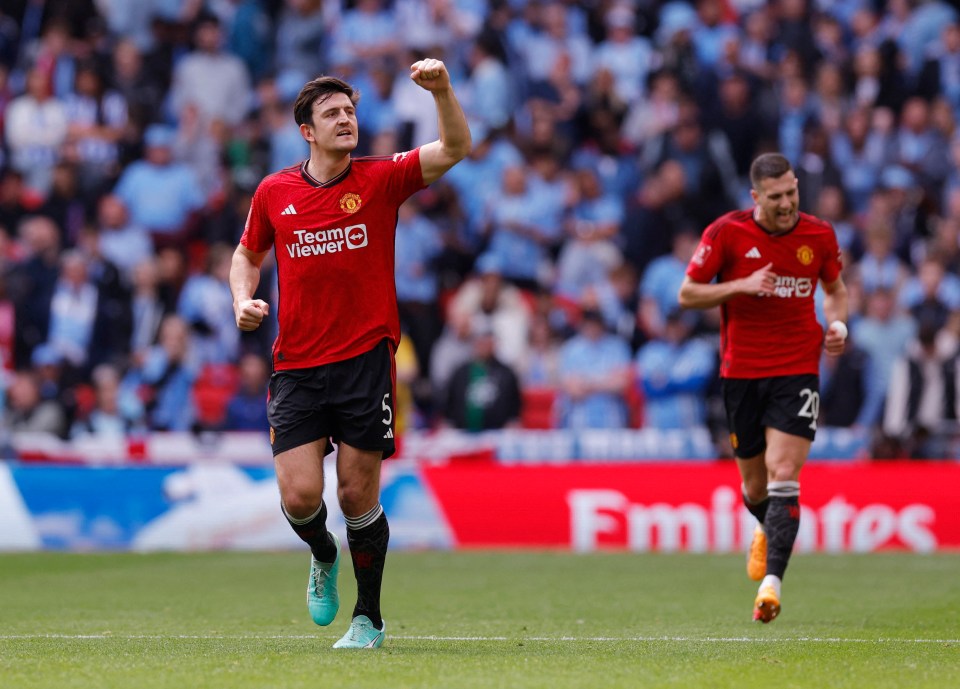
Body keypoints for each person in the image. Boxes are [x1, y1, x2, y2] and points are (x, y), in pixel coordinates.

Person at [229, 59, 470, 649]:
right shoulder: (274, 192)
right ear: (306, 131)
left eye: (350, 111)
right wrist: (242, 298)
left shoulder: (382, 178)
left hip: (365, 360)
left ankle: (368, 618)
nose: (346, 120)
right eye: (332, 113)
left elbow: (457, 146)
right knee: (300, 495)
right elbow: (245, 255)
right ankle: (321, 551)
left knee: (357, 495)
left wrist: (441, 91)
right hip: (297, 364)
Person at [678, 152, 848, 624]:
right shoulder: (726, 233)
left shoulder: (819, 234)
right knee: (755, 487)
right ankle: (763, 526)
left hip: (797, 370)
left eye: (792, 192)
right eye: (776, 197)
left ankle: (771, 585)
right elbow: (688, 293)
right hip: (741, 374)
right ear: (756, 197)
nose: (788, 203)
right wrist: (741, 286)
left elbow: (835, 290)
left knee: (783, 471)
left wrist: (837, 325)